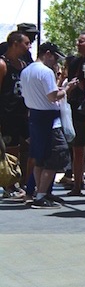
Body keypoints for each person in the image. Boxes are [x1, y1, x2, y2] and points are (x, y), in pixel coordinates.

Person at [19, 43, 70, 208]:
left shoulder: (26, 71)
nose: (55, 61)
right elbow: (53, 96)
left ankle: (43, 192)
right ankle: (41, 195)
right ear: (47, 54)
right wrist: (67, 88)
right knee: (56, 156)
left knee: (40, 157)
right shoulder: (46, 72)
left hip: (34, 116)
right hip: (49, 119)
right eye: (55, 57)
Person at [62, 32, 85, 197]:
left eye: (81, 41)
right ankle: (77, 183)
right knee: (78, 148)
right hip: (77, 110)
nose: (78, 43)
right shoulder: (74, 62)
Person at [0, 30, 31, 199]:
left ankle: (26, 181)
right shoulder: (3, 64)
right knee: (11, 150)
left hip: (23, 114)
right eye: (26, 43)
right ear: (15, 44)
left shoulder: (23, 65)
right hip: (7, 115)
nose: (29, 46)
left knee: (29, 146)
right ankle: (10, 185)